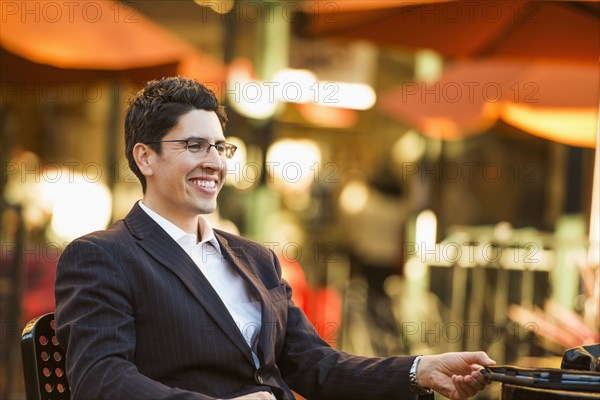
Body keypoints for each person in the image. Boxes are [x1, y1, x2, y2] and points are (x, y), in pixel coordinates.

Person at [55, 77, 495, 400]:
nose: (214, 162)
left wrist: (421, 369)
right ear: (145, 157)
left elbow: (315, 365)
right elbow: (101, 379)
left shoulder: (255, 258)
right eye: (194, 146)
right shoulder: (102, 256)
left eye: (220, 148)